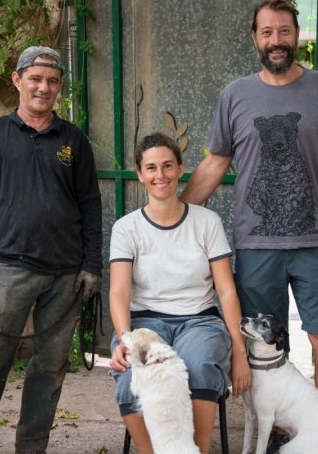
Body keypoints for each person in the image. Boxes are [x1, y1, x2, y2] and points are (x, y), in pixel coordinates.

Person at [180, 0, 318, 454]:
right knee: (264, 349)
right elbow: (215, 163)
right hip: (256, 245)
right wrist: (178, 214)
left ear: (296, 34)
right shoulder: (236, 95)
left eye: (284, 31)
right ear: (255, 38)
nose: (276, 40)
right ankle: (278, 433)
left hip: (317, 240)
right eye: (267, 32)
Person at [0, 45, 103, 454]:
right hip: (9, 271)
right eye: (35, 79)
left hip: (65, 274)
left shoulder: (74, 141)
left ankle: (32, 448)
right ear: (17, 80)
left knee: (51, 368)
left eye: (51, 81)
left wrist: (92, 265)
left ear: (60, 87)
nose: (43, 88)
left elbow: (91, 205)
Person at [108, 133, 250, 454]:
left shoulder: (207, 222)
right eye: (152, 168)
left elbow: (226, 290)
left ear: (181, 169)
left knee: (200, 368)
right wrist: (125, 337)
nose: (161, 175)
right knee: (131, 378)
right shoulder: (126, 228)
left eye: (168, 166)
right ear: (140, 174)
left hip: (199, 322)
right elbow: (118, 291)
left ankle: (195, 451)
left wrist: (239, 351)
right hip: (145, 325)